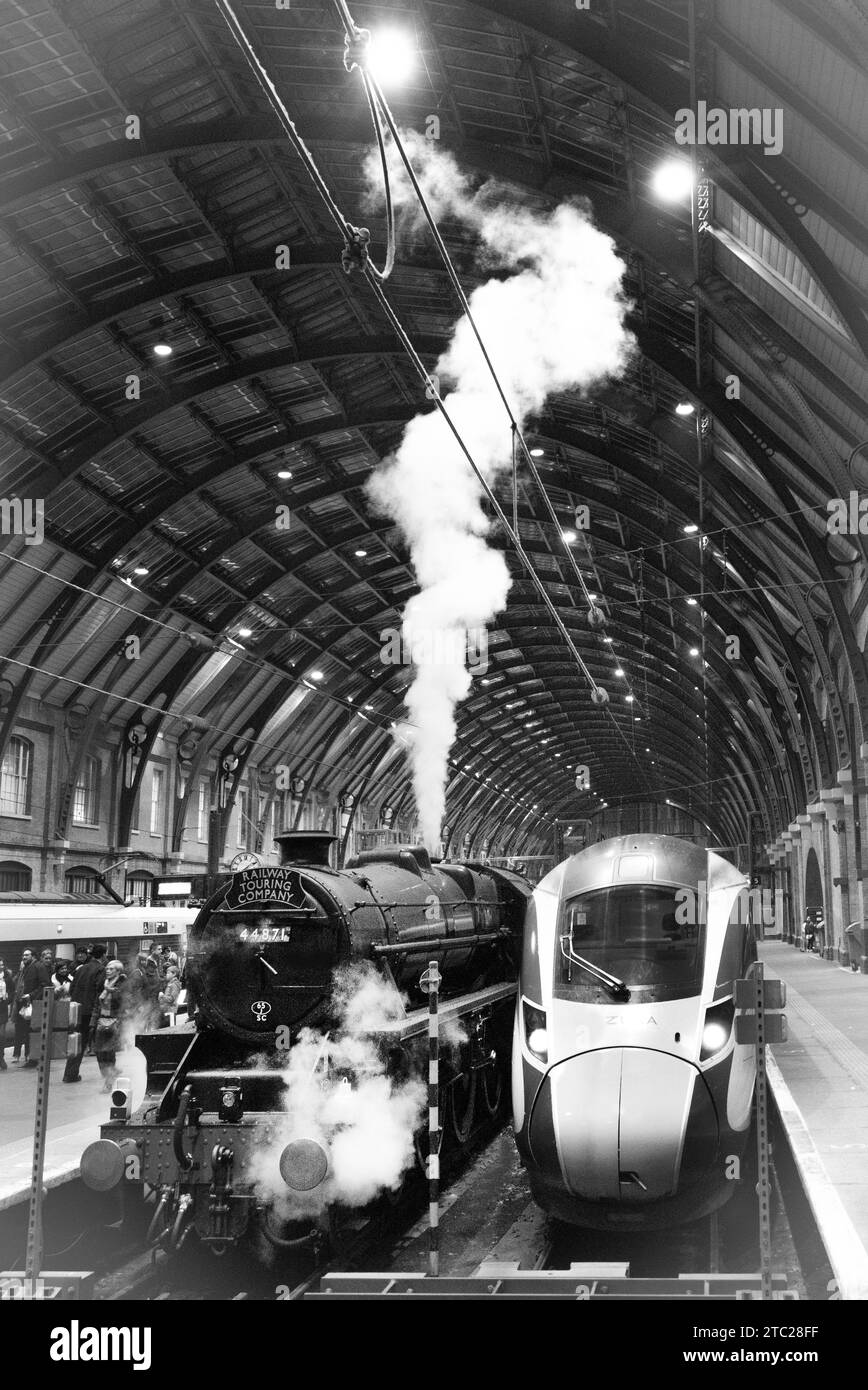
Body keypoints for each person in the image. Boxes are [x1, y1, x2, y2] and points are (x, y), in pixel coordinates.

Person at [63, 943, 107, 1083]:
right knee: (99, 1043)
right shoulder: (101, 969)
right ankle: (108, 1077)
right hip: (92, 1011)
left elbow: (72, 988)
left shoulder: (81, 968)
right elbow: (100, 991)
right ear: (104, 955)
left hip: (77, 1010)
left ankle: (69, 1074)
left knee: (76, 1043)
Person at [89, 959, 127, 1092]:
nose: (107, 970)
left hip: (115, 1021)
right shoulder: (103, 984)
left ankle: (108, 1082)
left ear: (118, 971)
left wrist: (112, 991)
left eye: (111, 969)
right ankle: (108, 1074)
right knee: (99, 1051)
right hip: (101, 1021)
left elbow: (124, 1003)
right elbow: (96, 1004)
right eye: (107, 968)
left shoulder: (122, 985)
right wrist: (92, 1022)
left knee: (109, 1053)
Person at [11, 948, 52, 1066]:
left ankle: (32, 1058)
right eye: (23, 955)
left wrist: (31, 995)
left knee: (31, 1031)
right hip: (24, 1003)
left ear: (33, 956)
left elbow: (45, 984)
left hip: (33, 1003)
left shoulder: (38, 967)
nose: (24, 957)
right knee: (25, 1030)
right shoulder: (26, 968)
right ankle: (29, 1056)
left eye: (27, 955)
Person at [127, 952, 162, 1029]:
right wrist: (139, 1005)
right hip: (139, 1005)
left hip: (144, 1002)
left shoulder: (142, 971)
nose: (145, 962)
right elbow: (136, 991)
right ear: (140, 961)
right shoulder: (137, 973)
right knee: (139, 1025)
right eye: (143, 960)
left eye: (145, 960)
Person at [0, 957, 14, 1070]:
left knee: (2, 1035)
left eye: (2, 965)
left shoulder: (7, 978)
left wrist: (7, 999)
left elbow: (12, 991)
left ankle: (1, 1057)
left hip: (2, 1007)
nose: (1, 967)